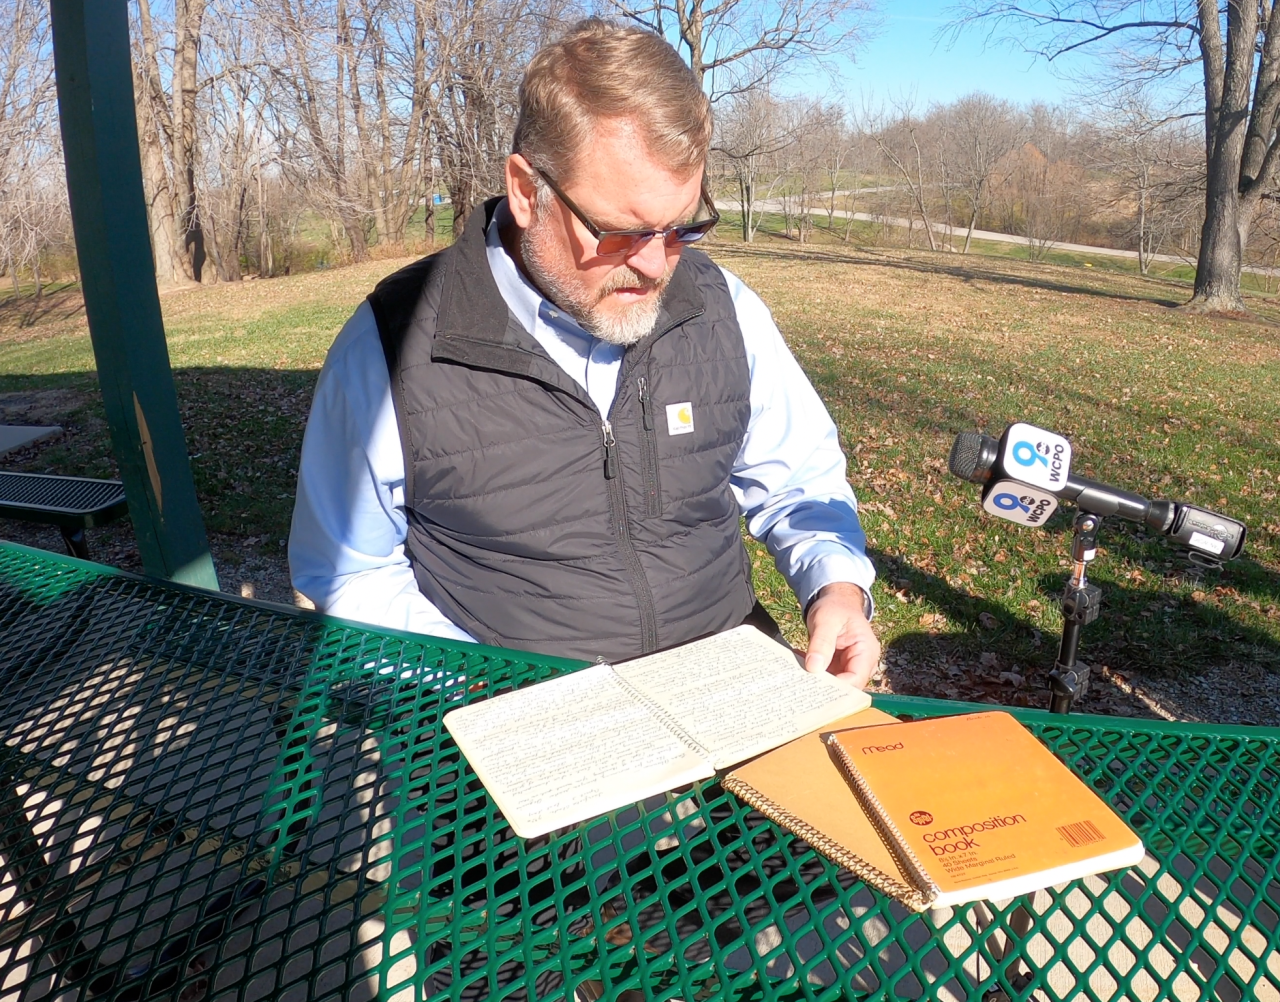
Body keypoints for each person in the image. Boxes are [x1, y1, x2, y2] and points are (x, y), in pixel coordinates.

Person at [289, 18, 880, 687]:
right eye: (620, 232)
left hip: (727, 682)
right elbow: (350, 572)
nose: (657, 266)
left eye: (683, 226)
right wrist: (488, 690)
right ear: (524, 190)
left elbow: (799, 481)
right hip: (508, 713)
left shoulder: (723, 306)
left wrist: (836, 587)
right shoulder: (392, 346)